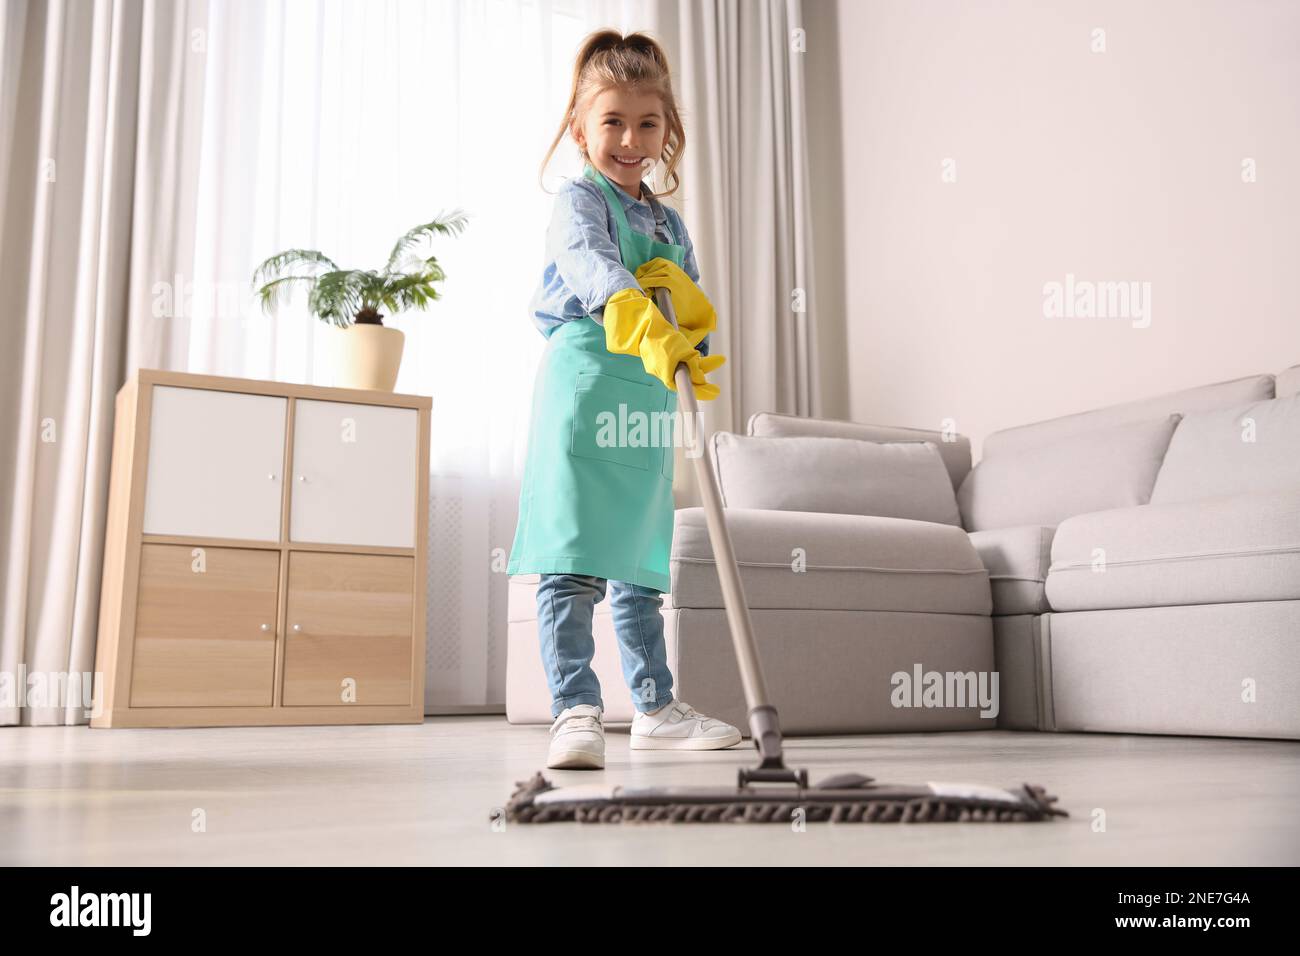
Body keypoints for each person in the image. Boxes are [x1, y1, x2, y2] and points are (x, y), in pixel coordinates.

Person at [507, 29, 742, 770]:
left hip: (645, 395)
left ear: (667, 131)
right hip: (585, 384)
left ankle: (653, 707)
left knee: (641, 562)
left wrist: (693, 331)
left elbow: (693, 309)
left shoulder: (670, 224)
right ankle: (575, 709)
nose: (630, 139)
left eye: (648, 123)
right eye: (612, 122)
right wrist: (643, 318)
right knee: (573, 557)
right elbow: (597, 273)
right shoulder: (579, 201)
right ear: (581, 128)